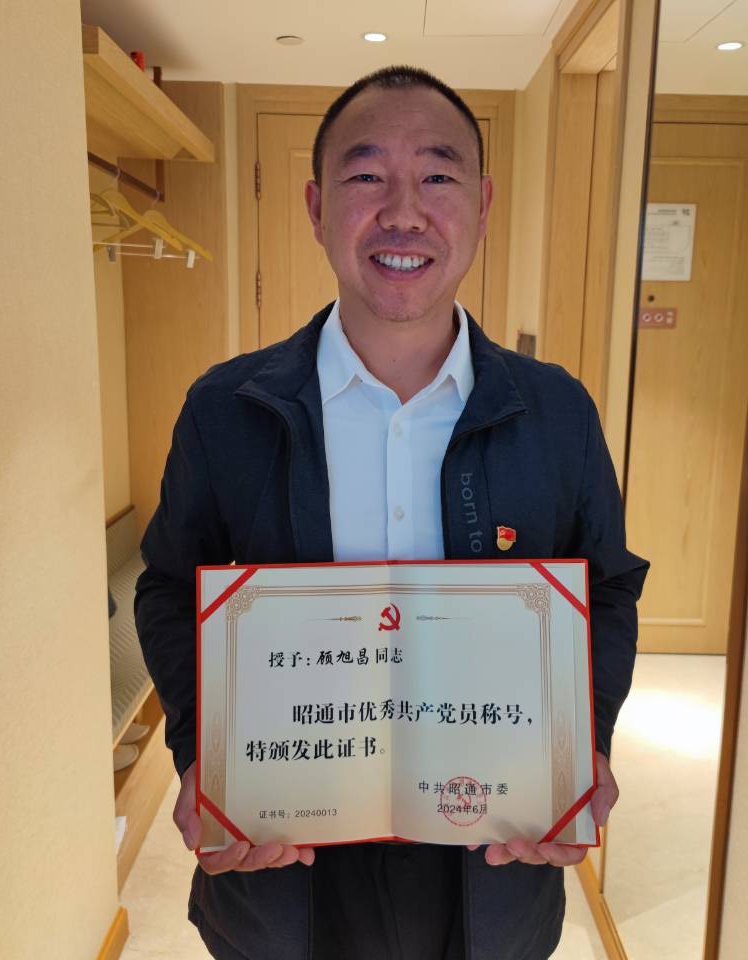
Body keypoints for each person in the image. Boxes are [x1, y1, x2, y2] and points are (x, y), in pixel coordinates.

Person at [135, 64, 649, 960]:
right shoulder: (226, 410)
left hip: (488, 862)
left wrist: (581, 749)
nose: (403, 212)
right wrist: (200, 757)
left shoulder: (555, 412)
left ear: (483, 204)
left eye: (438, 175)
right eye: (367, 175)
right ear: (316, 205)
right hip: (286, 864)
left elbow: (604, 589)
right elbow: (171, 592)